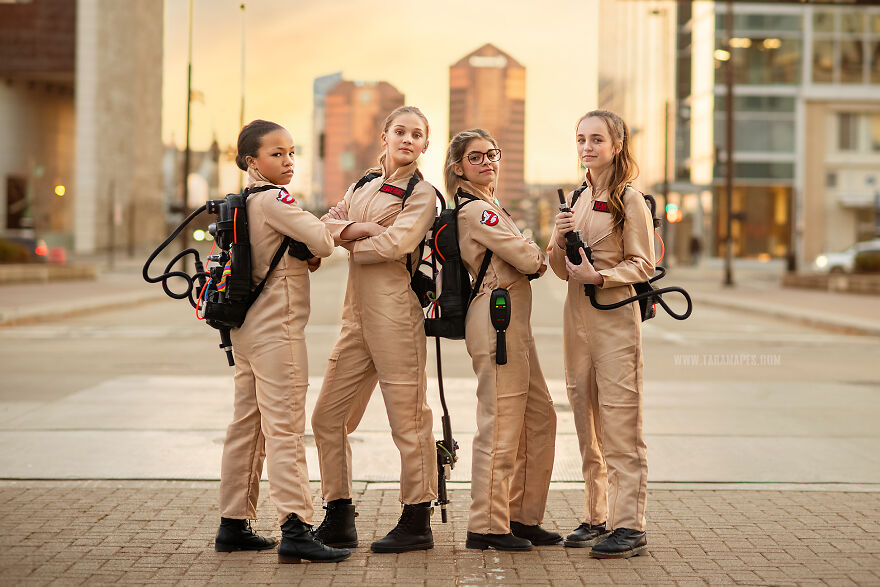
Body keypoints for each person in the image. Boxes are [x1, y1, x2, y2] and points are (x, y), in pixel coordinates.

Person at [214, 119, 351, 564]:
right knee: (286, 430)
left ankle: (233, 524)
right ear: (251, 161)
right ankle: (295, 527)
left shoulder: (243, 202)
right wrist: (342, 229)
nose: (288, 161)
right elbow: (322, 242)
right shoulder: (274, 198)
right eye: (276, 154)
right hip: (278, 332)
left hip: (246, 330)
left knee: (246, 428)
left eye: (292, 152)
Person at [311, 106, 439, 553]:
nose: (407, 139)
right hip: (355, 316)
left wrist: (349, 240)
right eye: (400, 131)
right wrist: (356, 228)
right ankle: (339, 515)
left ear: (425, 144)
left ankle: (417, 519)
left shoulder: (421, 194)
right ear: (384, 136)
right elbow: (324, 228)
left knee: (408, 420)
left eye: (417, 134)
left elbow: (398, 243)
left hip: (396, 314)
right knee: (327, 418)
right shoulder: (361, 185)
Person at [445, 129, 558, 552]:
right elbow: (531, 260)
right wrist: (529, 245)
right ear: (459, 168)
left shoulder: (492, 205)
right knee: (501, 423)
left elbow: (527, 255)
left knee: (540, 417)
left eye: (492, 154)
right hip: (497, 321)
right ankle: (487, 525)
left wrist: (526, 245)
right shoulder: (476, 211)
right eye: (476, 157)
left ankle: (522, 516)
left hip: (514, 323)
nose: (488, 162)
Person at [548, 110, 655, 559]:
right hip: (577, 323)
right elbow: (560, 270)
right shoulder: (575, 199)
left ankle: (629, 524)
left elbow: (643, 263)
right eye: (580, 139)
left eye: (596, 139)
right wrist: (557, 239)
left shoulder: (628, 198)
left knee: (620, 422)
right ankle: (597, 516)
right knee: (585, 420)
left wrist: (602, 277)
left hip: (614, 321)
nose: (587, 147)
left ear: (616, 145)